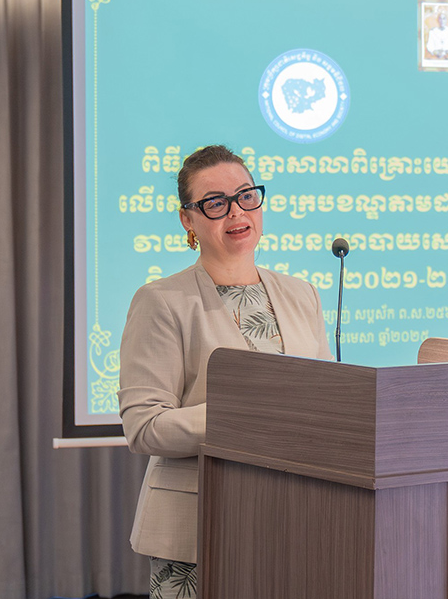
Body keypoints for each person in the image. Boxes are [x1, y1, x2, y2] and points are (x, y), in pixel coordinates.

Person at [117, 144, 333, 598]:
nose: (236, 212)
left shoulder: (302, 295)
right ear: (188, 221)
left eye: (246, 195)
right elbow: (144, 427)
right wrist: (246, 415)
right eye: (215, 203)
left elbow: (324, 403)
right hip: (199, 530)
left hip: (295, 522)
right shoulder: (161, 301)